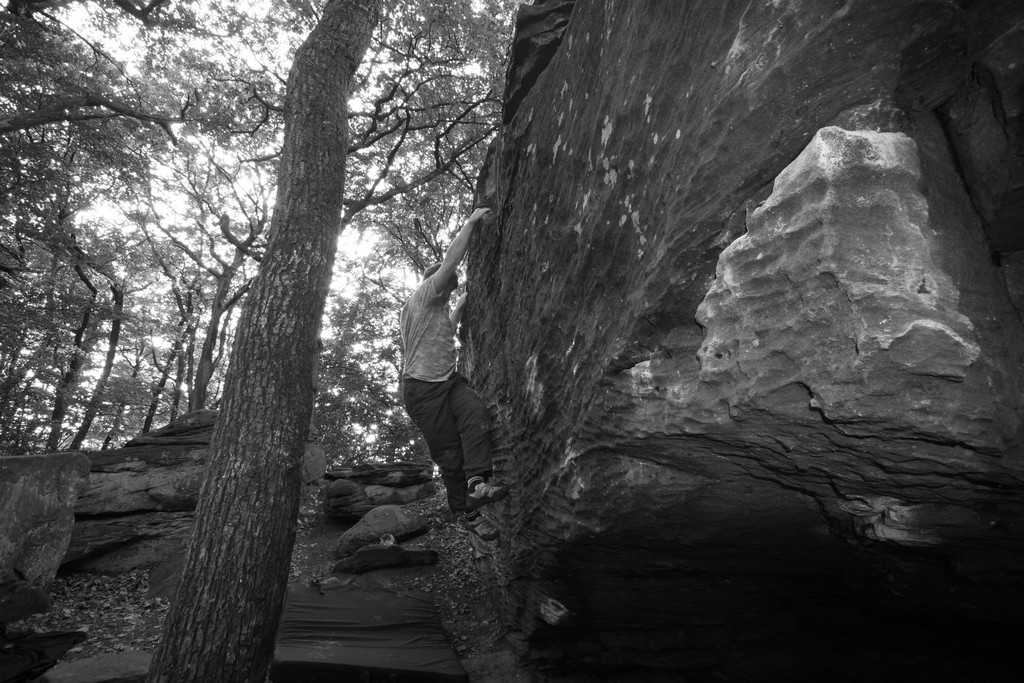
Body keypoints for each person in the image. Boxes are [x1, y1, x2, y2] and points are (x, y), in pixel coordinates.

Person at [400, 206, 509, 542]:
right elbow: (451, 261)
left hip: (448, 382)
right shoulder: (423, 296)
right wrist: (471, 223)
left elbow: (447, 329)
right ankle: (470, 514)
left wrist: (461, 304)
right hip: (421, 390)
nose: (448, 292)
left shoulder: (434, 310)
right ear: (434, 283)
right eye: (447, 289)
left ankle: (477, 484)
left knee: (476, 415)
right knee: (449, 454)